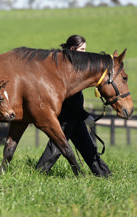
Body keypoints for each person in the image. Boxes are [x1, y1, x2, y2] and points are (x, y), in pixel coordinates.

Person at [36, 35, 111, 177]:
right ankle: (39, 173)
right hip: (66, 114)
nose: (85, 52)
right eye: (82, 49)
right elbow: (69, 98)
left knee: (87, 146)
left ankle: (104, 175)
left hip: (74, 116)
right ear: (72, 49)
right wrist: (85, 115)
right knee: (57, 147)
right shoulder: (66, 67)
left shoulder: (74, 65)